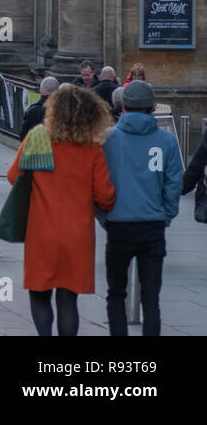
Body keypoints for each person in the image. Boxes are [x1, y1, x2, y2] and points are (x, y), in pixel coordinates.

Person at [6, 83, 115, 336]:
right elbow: (105, 195)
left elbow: (14, 177)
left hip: (41, 230)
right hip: (77, 234)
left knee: (40, 294)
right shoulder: (92, 148)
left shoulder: (37, 138)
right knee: (68, 299)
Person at [100, 79, 182, 336]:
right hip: (152, 226)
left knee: (115, 294)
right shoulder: (166, 141)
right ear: (152, 107)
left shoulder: (108, 139)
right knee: (151, 299)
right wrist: (166, 215)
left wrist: (104, 215)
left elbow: (98, 182)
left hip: (118, 224)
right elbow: (173, 183)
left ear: (122, 106)